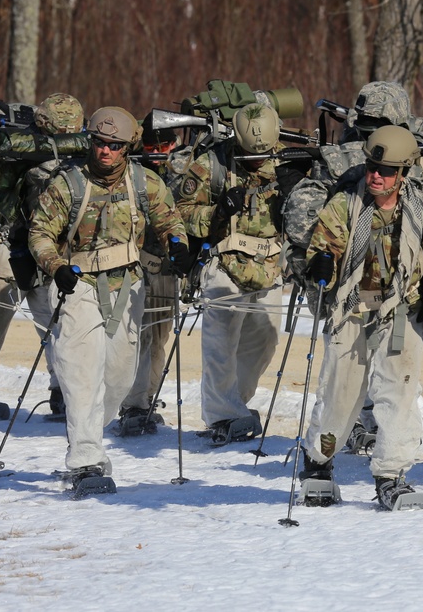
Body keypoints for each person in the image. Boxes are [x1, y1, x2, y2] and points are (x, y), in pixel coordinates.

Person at [29, 106, 190, 489]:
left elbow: (170, 221)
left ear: (127, 147)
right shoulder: (68, 184)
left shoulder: (144, 183)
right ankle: (85, 458)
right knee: (81, 372)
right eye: (99, 143)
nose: (105, 152)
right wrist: (56, 267)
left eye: (114, 146)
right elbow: (39, 234)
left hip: (129, 286)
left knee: (118, 379)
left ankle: (88, 426)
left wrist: (178, 245)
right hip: (77, 284)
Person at [300, 125, 423, 510]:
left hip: (401, 312)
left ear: (403, 173)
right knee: (341, 397)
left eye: (387, 170)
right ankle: (318, 462)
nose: (377, 175)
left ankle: (391, 476)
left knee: (399, 395)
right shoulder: (345, 205)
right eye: (373, 166)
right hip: (352, 309)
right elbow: (323, 246)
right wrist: (322, 262)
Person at [340, 80, 423, 449]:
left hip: (406, 275)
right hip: (356, 272)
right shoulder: (346, 153)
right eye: (366, 124)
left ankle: (387, 432)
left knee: (396, 361)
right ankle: (354, 421)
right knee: (353, 355)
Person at [0, 93, 84, 420]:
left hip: (49, 250)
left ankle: (62, 392)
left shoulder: (77, 158)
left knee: (58, 324)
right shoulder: (17, 150)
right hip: (6, 245)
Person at [176, 103, 290, 446]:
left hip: (269, 266)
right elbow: (179, 213)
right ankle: (223, 415)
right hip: (223, 263)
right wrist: (218, 210)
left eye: (264, 153)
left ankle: (236, 403)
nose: (259, 160)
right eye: (250, 154)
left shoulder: (289, 160)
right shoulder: (211, 164)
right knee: (221, 346)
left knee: (264, 342)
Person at [116, 124, 182, 436]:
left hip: (168, 267)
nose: (158, 153)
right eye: (151, 147)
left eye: (165, 146)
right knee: (137, 335)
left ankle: (147, 398)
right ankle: (132, 405)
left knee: (160, 336)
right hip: (137, 263)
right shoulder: (131, 174)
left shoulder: (183, 170)